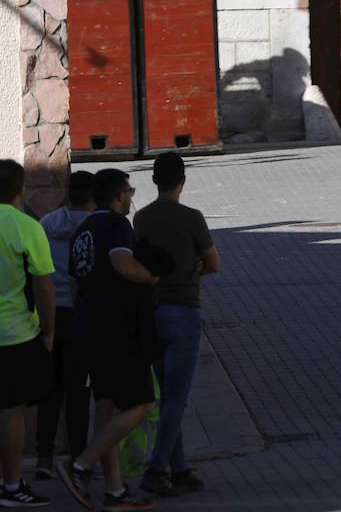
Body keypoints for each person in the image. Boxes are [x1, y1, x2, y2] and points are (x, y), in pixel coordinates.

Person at [58, 169, 157, 511]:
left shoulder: (83, 229)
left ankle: (115, 492)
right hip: (117, 327)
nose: (131, 197)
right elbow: (123, 265)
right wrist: (151, 277)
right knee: (143, 402)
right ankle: (81, 464)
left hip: (87, 325)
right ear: (119, 195)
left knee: (106, 406)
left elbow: (74, 282)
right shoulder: (116, 226)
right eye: (129, 191)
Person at [133, 154, 220, 498]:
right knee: (177, 399)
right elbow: (214, 262)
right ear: (182, 180)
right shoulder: (192, 218)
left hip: (152, 311)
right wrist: (193, 269)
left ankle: (179, 469)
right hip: (184, 310)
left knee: (168, 396)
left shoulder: (141, 218)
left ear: (154, 181)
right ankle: (157, 469)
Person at [34, 172, 97, 482]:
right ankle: (79, 457)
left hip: (49, 314)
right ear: (91, 198)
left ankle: (44, 457)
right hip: (80, 316)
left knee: (49, 390)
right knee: (78, 392)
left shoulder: (46, 224)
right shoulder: (95, 227)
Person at [0, 159, 56, 509]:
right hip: (16, 334)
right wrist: (49, 332)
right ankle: (11, 484)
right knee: (12, 412)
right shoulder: (27, 227)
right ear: (21, 190)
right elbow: (45, 288)